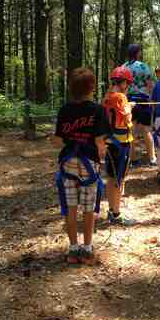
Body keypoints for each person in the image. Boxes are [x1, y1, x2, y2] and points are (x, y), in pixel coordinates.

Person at [52, 68, 110, 265]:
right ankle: (87, 248)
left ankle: (73, 249)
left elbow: (58, 140)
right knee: (88, 208)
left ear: (71, 88)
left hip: (68, 163)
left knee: (70, 207)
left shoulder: (65, 110)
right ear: (92, 87)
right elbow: (100, 141)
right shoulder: (98, 110)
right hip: (89, 164)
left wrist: (71, 140)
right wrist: (102, 152)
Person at [101, 66, 138, 226]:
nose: (128, 86)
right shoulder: (120, 97)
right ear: (123, 83)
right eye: (128, 83)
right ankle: (116, 214)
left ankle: (112, 210)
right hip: (120, 143)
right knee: (118, 180)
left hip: (110, 143)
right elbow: (126, 117)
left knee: (111, 177)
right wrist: (130, 106)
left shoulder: (107, 97)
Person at [123, 44, 157, 167]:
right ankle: (152, 159)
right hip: (143, 101)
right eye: (140, 52)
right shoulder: (143, 66)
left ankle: (133, 159)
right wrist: (152, 99)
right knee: (146, 130)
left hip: (129, 101)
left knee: (131, 131)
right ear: (137, 53)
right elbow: (150, 84)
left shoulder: (123, 67)